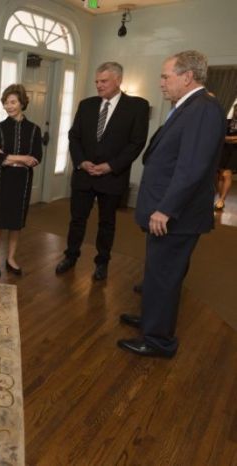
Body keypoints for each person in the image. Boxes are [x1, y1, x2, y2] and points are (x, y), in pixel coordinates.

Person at [118, 50, 225, 358]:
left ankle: (158, 340)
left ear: (187, 76)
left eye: (166, 76)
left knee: (164, 276)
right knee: (157, 272)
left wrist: (165, 208)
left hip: (175, 214)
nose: (161, 82)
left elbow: (192, 167)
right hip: (169, 209)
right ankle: (151, 319)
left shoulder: (203, 109)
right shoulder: (188, 106)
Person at [55, 62, 150, 281]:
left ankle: (102, 263)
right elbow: (74, 136)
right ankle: (70, 256)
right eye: (97, 81)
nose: (98, 85)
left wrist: (111, 166)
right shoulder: (86, 105)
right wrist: (81, 162)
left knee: (107, 224)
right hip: (84, 175)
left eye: (104, 81)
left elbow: (136, 143)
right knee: (77, 220)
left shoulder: (137, 107)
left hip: (112, 177)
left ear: (118, 80)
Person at [0, 84, 42, 277]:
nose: (8, 106)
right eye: (5, 102)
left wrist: (7, 157)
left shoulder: (34, 129)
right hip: (1, 180)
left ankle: (10, 258)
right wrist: (21, 158)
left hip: (22, 181)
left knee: (15, 223)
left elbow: (36, 158)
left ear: (22, 102)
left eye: (12, 102)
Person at [215, 103, 237, 210]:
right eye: (236, 110)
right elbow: (219, 135)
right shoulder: (227, 121)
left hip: (235, 152)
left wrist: (228, 138)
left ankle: (222, 199)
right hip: (223, 150)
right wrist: (231, 139)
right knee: (220, 176)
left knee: (227, 174)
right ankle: (220, 198)